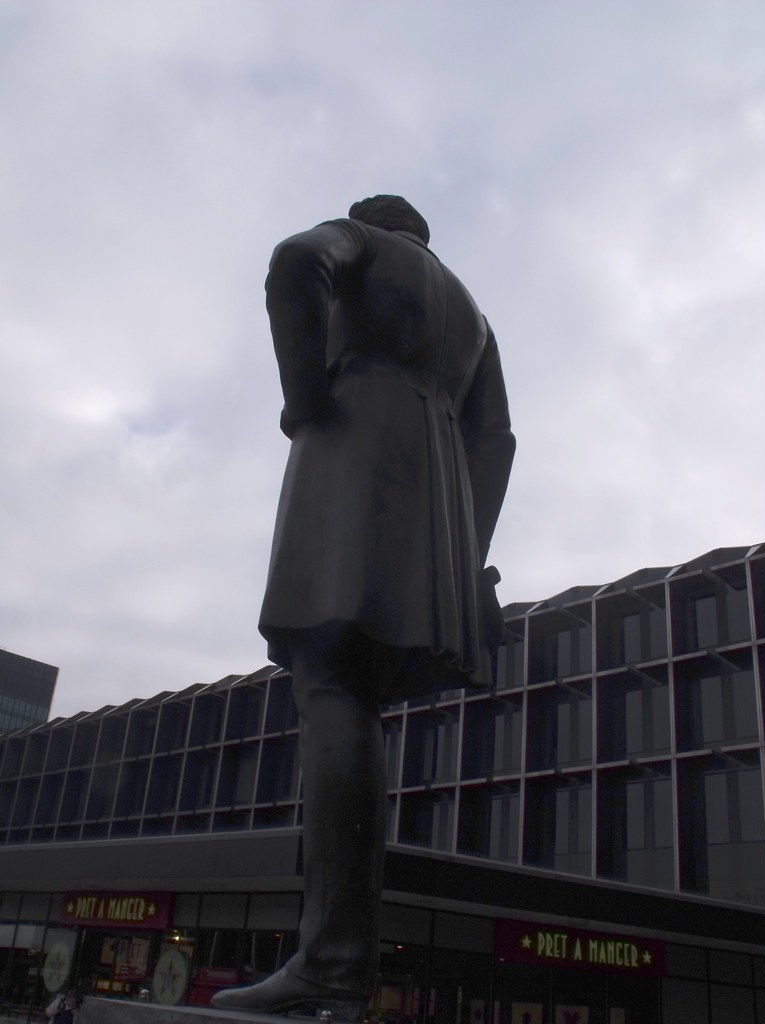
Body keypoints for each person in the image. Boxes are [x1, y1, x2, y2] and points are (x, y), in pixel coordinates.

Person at [212, 196, 515, 1020]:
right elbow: (496, 440)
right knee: (354, 696)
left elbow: (291, 263)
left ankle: (333, 961)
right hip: (436, 497)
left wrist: (304, 397)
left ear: (375, 219)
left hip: (354, 458)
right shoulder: (472, 315)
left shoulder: (361, 245)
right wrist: (465, 554)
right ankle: (336, 959)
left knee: (331, 681)